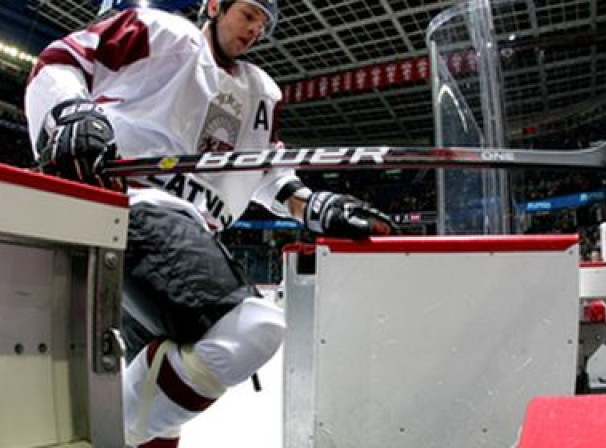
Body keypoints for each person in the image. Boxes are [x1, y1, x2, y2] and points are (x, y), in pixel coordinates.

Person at [23, 2, 398, 447]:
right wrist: (69, 111)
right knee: (250, 330)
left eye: (264, 23)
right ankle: (100, 437)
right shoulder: (160, 31)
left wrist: (313, 205)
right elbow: (61, 61)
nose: (257, 28)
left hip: (189, 234)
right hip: (133, 207)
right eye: (249, 13)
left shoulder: (263, 93)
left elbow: (267, 175)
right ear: (215, 4)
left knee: (156, 397)